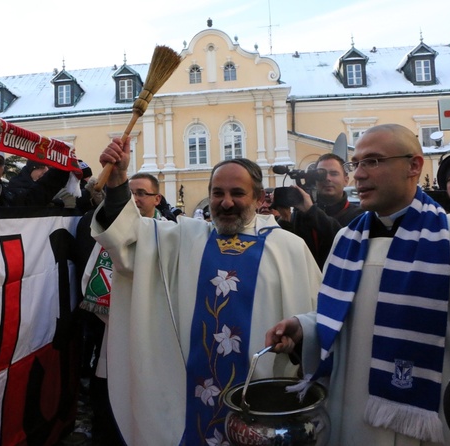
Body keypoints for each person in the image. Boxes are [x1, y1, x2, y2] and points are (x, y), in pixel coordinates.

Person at [266, 124, 450, 445]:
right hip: (349, 418)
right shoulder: (346, 240)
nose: (358, 175)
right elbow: (350, 323)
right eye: (356, 164)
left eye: (373, 161)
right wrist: (304, 329)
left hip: (426, 425)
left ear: (414, 166)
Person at [91, 137, 321, 445]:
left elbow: (318, 317)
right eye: (218, 193)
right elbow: (130, 238)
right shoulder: (184, 238)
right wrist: (118, 182)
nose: (226, 202)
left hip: (266, 400)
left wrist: (300, 334)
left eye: (237, 193)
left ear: (258, 198)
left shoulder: (289, 248)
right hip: (191, 401)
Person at [289, 153, 364, 268]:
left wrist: (311, 211)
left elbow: (343, 241)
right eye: (321, 174)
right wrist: (284, 219)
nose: (327, 179)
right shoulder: (302, 213)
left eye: (334, 174)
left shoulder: (359, 215)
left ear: (346, 180)